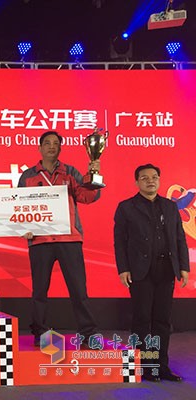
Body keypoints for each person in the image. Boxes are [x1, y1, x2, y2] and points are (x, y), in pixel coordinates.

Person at [18, 131, 99, 346]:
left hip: (69, 239)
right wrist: (24, 228)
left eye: (56, 143)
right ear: (39, 148)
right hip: (40, 240)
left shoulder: (70, 172)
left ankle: (88, 333)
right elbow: (19, 206)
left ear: (61, 148)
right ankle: (40, 332)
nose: (51, 146)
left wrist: (94, 177)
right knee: (39, 291)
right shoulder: (27, 176)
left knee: (78, 290)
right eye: (47, 143)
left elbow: (87, 197)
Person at [113, 163, 189, 382]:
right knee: (142, 320)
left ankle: (161, 367)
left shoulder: (170, 207)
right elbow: (120, 242)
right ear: (137, 182)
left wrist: (184, 267)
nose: (150, 181)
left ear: (159, 180)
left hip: (166, 269)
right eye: (144, 178)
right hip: (140, 271)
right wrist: (123, 268)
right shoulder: (126, 207)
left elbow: (179, 238)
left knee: (162, 321)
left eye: (154, 177)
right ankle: (144, 367)